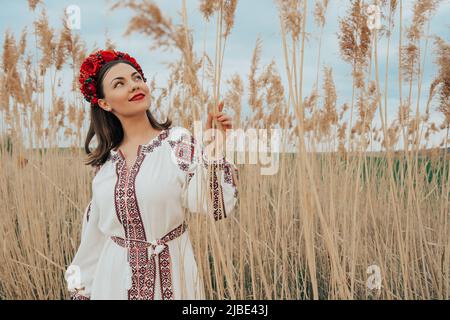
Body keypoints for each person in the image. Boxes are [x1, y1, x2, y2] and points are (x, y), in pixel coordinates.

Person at [64, 49, 239, 300]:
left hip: (172, 276)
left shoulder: (178, 142)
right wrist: (81, 291)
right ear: (104, 102)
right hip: (113, 281)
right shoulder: (106, 164)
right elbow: (94, 238)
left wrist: (213, 150)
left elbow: (215, 207)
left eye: (137, 78)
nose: (134, 86)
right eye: (120, 83)